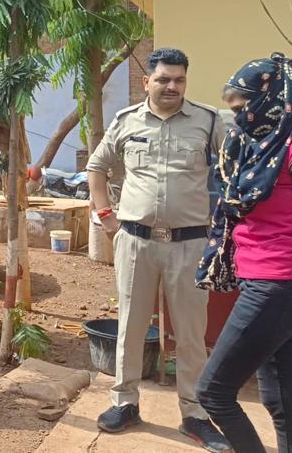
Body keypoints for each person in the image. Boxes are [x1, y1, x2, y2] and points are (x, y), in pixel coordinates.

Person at [196, 53, 292, 452]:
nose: (239, 118)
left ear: (274, 100)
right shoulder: (266, 149)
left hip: (279, 287)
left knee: (213, 392)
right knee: (278, 397)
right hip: (265, 285)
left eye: (242, 107)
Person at [86, 48, 230, 451]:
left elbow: (233, 170)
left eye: (179, 79)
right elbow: (97, 167)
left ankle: (194, 414)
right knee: (130, 326)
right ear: (147, 81)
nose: (172, 86)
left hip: (190, 243)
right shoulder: (125, 121)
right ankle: (125, 403)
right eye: (164, 79)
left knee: (191, 333)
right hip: (135, 242)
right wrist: (107, 219)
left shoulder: (208, 121)